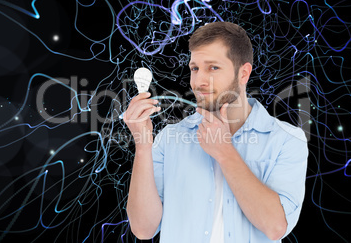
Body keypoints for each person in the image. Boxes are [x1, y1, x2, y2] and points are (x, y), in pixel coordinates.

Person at [124, 22, 308, 242]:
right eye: (195, 68)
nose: (199, 81)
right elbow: (144, 229)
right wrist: (143, 145)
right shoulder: (170, 139)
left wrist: (224, 152)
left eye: (213, 67)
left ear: (243, 73)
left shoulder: (286, 140)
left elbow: (275, 227)